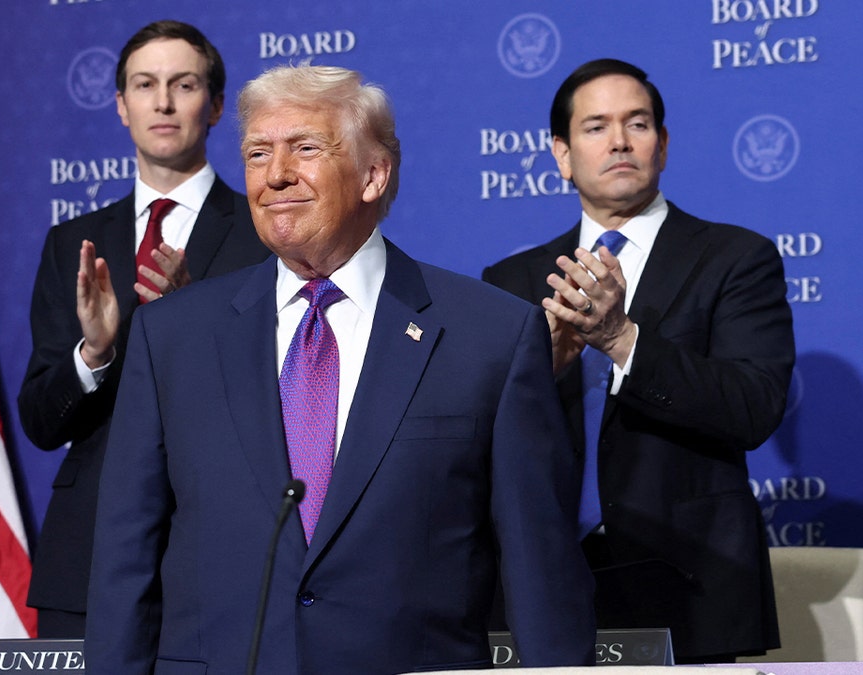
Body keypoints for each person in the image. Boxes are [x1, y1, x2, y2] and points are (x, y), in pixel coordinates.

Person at [85, 64, 595, 673]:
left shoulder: (490, 335)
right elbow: (125, 556)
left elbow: (540, 568)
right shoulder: (172, 337)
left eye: (304, 149)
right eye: (256, 154)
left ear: (373, 175)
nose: (275, 175)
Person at [483, 58, 794, 663]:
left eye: (638, 123)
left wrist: (622, 338)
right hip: (544, 584)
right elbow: (480, 437)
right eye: (596, 126)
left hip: (687, 580)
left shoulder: (734, 258)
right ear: (562, 154)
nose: (620, 141)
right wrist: (539, 372)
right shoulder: (514, 279)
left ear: (663, 144)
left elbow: (753, 406)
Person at [17, 20, 270, 638]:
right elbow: (42, 421)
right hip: (90, 554)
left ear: (213, 107)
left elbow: (289, 395)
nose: (162, 102)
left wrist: (195, 320)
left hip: (224, 549)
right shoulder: (71, 243)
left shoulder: (265, 234)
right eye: (144, 85)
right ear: (121, 107)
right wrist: (94, 352)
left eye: (183, 85)